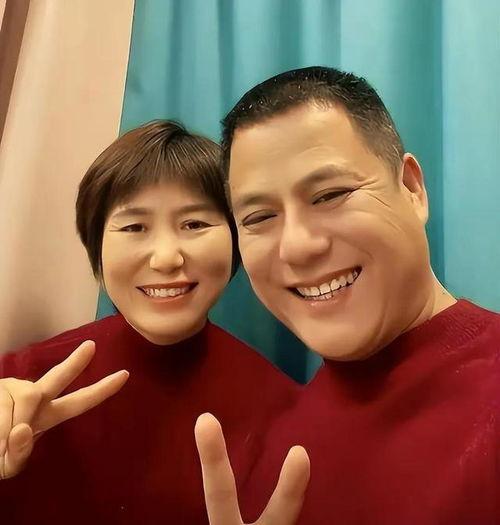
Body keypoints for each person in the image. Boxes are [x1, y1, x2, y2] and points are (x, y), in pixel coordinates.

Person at [201, 66, 500, 524]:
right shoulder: (267, 460)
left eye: (329, 195)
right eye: (259, 218)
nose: (297, 246)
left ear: (412, 189)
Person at [0, 120, 306, 525]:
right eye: (134, 227)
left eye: (194, 224)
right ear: (96, 244)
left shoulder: (286, 410)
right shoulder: (21, 386)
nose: (166, 258)